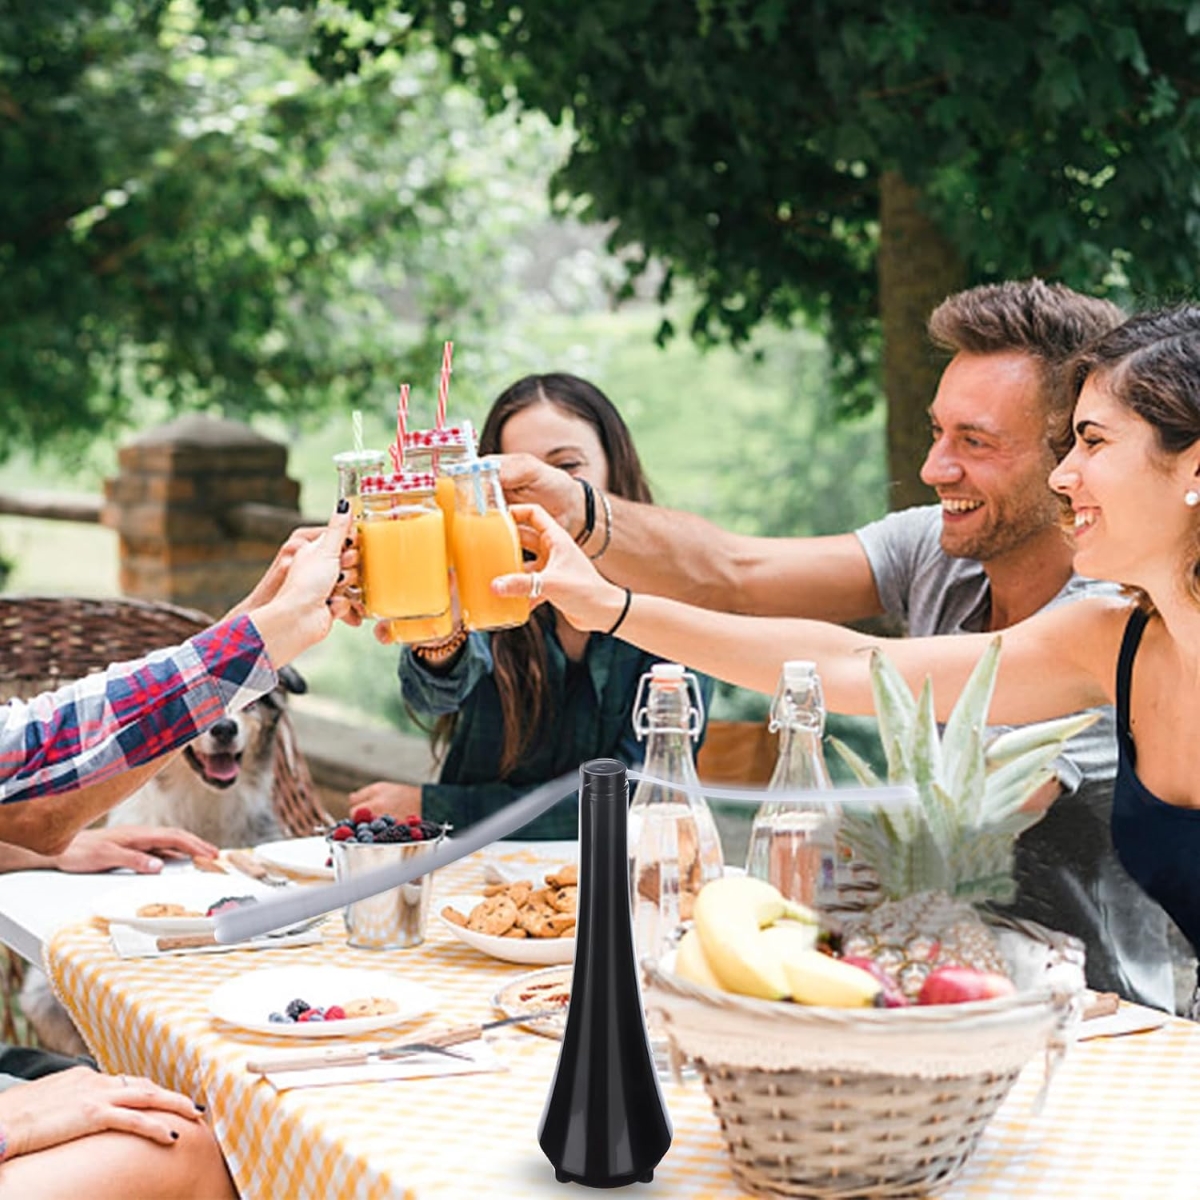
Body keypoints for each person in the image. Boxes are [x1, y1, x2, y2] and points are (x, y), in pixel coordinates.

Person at [497, 305, 1200, 1018]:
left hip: (1109, 1016)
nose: (1065, 475)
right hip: (990, 1006)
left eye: (1091, 442)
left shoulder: (1097, 617)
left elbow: (968, 818)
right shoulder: (1111, 637)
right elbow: (839, 658)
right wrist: (605, 599)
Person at [348, 373, 711, 838]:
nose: (544, 490)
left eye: (568, 466)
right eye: (516, 478)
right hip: (475, 878)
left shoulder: (672, 594)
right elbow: (430, 695)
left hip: (621, 872)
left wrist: (438, 806)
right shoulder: (484, 562)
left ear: (614, 467)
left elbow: (636, 794)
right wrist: (440, 638)